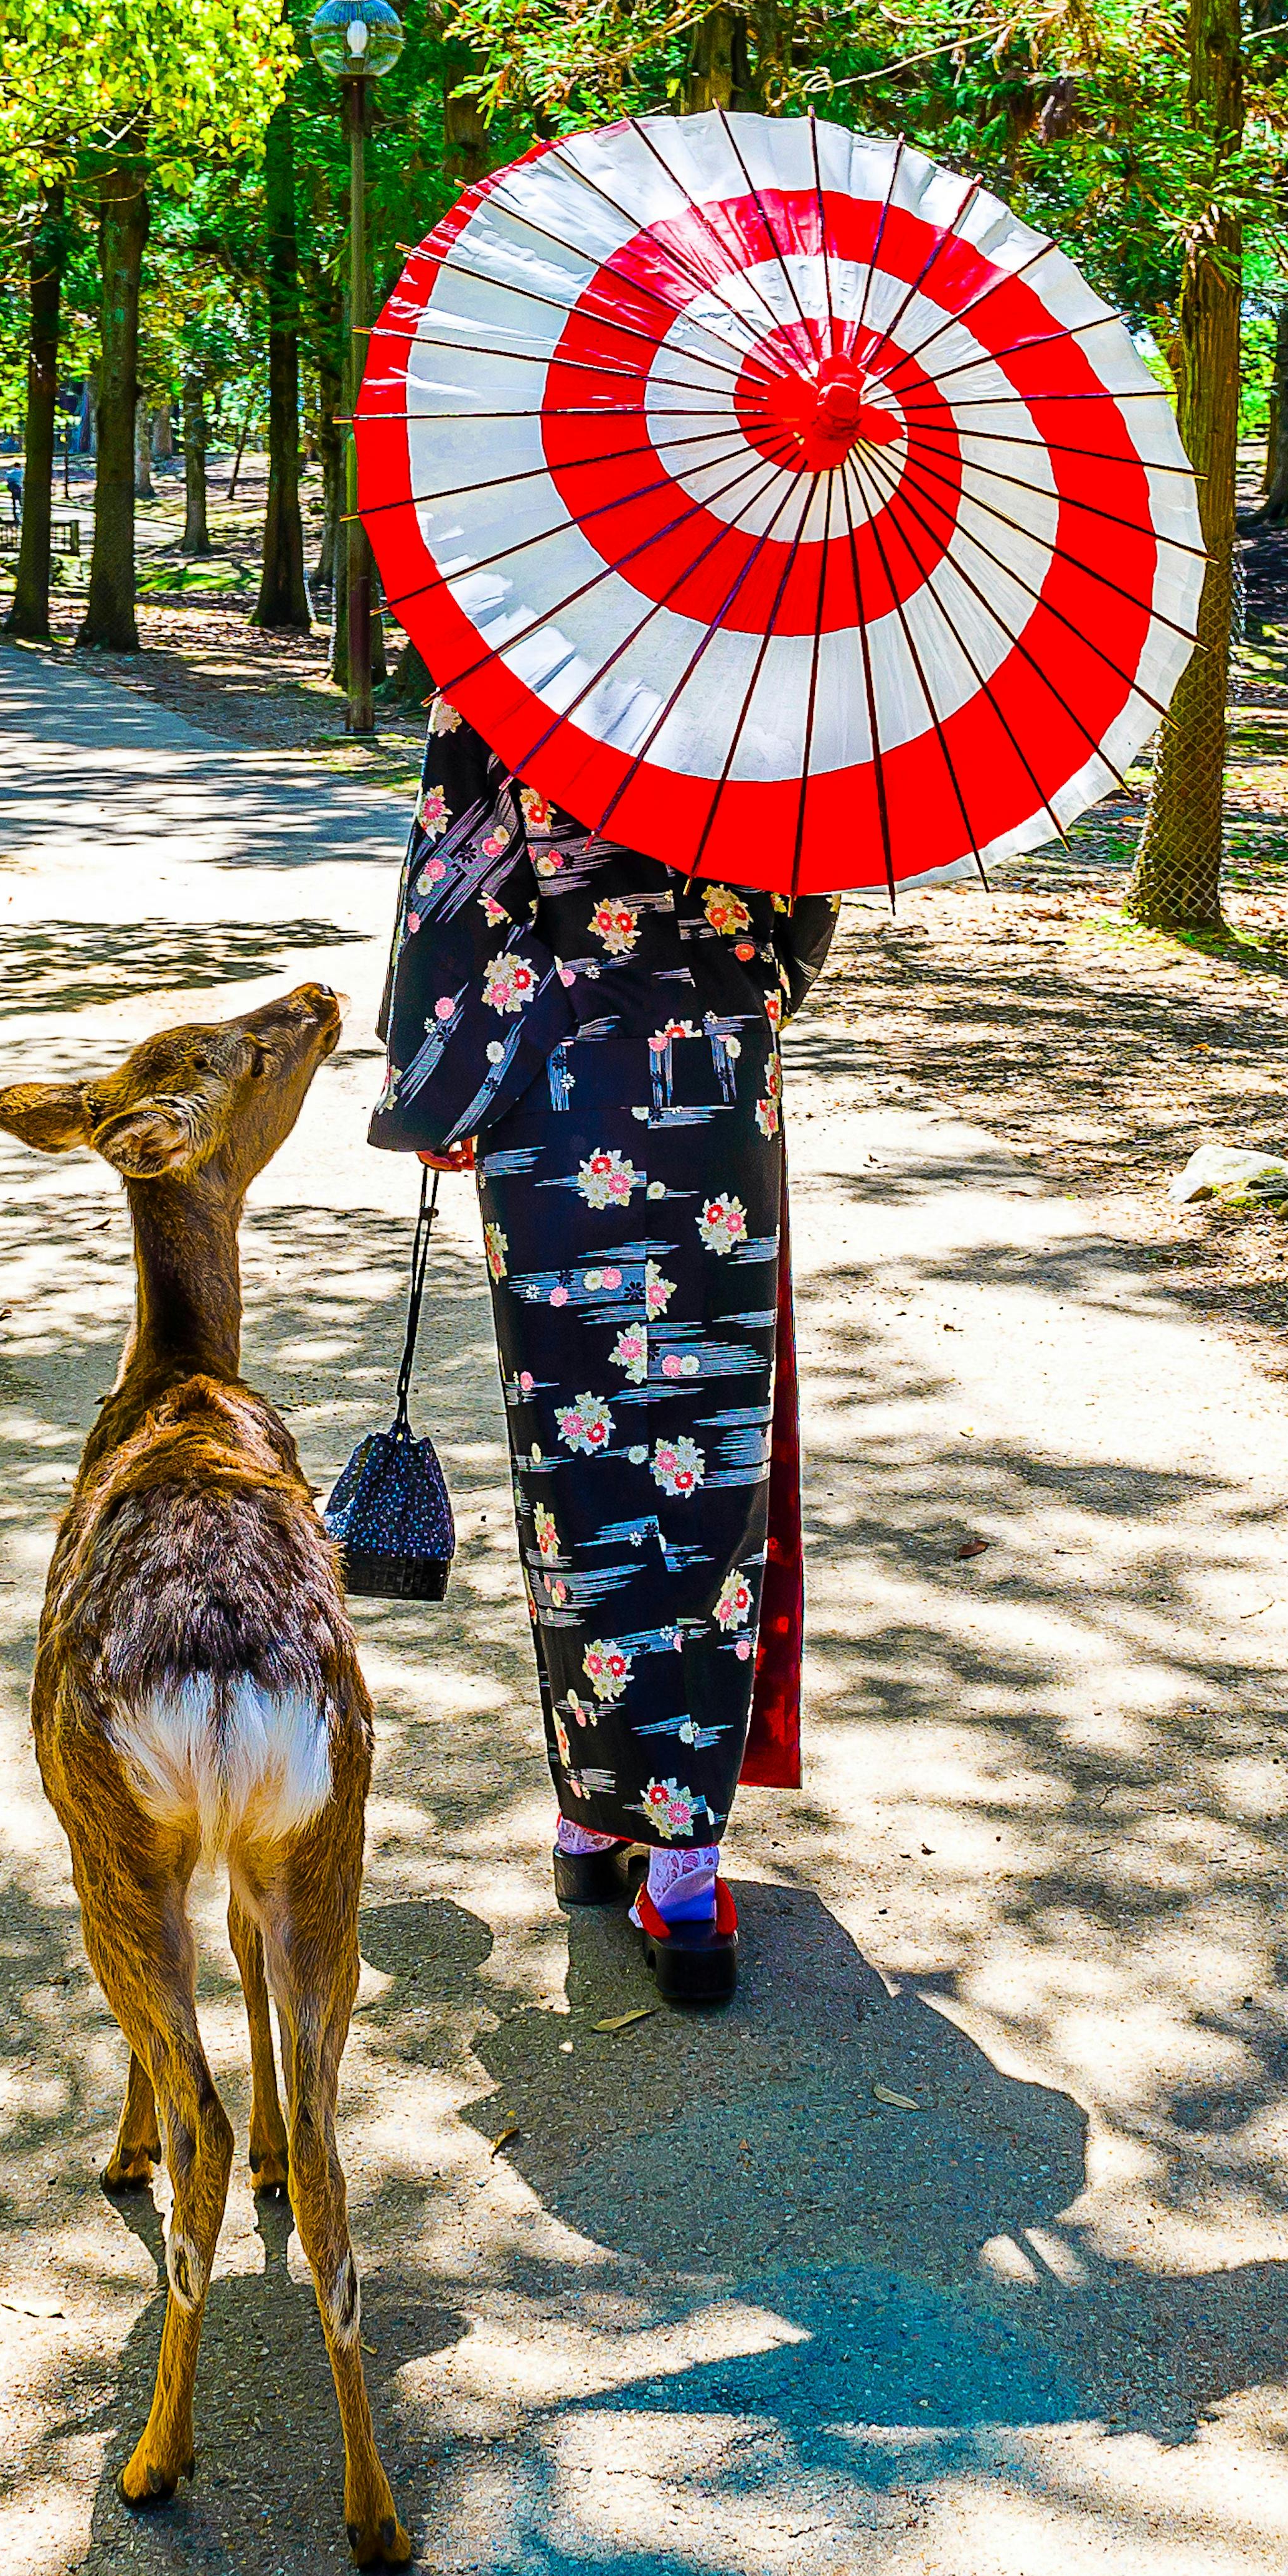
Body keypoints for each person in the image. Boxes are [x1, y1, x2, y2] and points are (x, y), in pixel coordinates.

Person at [374, 701, 835, 2010]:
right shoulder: (780, 678)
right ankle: (681, 1873)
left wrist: (436, 1091)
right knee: (705, 1462)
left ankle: (590, 1818)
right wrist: (735, 991)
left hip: (556, 1088)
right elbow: (806, 897)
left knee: (574, 1452)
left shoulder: (502, 660)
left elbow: (456, 885)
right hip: (714, 1087)